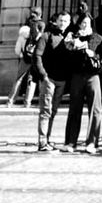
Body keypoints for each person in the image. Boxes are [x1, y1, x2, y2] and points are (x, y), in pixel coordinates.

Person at [60, 12, 102, 153]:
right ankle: (71, 142)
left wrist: (89, 51)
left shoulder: (97, 38)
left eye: (88, 23)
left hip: (93, 76)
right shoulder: (71, 37)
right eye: (83, 22)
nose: (86, 25)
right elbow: (66, 56)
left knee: (95, 109)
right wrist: (74, 46)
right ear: (79, 24)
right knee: (74, 108)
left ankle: (92, 142)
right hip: (77, 75)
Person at [32, 10, 72, 151]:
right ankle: (42, 141)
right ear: (56, 21)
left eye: (66, 21)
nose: (63, 23)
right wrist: (43, 75)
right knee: (45, 111)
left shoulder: (68, 37)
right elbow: (37, 56)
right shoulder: (46, 36)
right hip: (49, 79)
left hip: (61, 80)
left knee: (53, 111)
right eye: (61, 20)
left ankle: (47, 139)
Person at [7, 7, 44, 106]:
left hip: (26, 56)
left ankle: (10, 101)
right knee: (32, 80)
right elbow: (40, 39)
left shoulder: (28, 24)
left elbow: (22, 40)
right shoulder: (41, 24)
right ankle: (27, 102)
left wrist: (20, 52)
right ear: (40, 15)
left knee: (19, 78)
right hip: (36, 56)